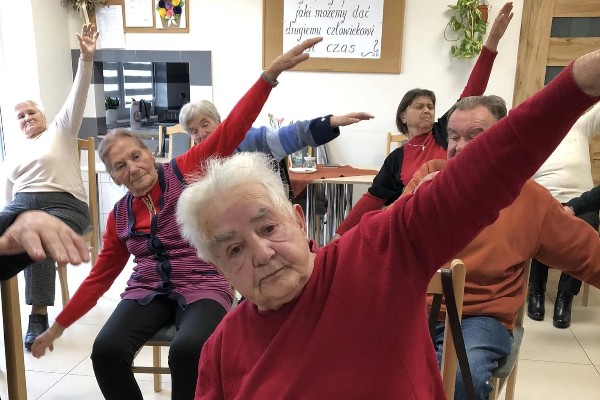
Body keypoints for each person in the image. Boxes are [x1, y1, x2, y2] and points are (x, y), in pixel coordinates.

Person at [175, 47, 600, 399]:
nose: (262, 253)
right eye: (234, 249)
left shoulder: (378, 254)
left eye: (267, 227)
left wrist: (576, 83)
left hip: (481, 318)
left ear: (299, 219)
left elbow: (476, 180)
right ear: (218, 268)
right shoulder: (222, 349)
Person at [30, 37, 323, 400]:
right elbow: (98, 280)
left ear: (149, 153)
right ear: (113, 176)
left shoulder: (184, 171)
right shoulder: (120, 216)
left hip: (202, 284)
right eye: (120, 166)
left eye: (137, 156)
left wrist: (270, 75)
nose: (133, 168)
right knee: (105, 352)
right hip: (146, 291)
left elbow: (232, 129)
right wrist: (57, 327)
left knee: (187, 351)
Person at [395, 95, 600, 399]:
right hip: (415, 308)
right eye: (454, 136)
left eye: (475, 137)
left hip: (481, 318)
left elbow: (588, 254)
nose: (461, 146)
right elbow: (388, 237)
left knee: (462, 380)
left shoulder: (530, 199)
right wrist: (420, 202)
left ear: (502, 141)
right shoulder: (428, 177)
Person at [332, 2, 513, 240]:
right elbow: (373, 198)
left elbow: (472, 92)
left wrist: (491, 44)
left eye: (430, 105)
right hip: (418, 229)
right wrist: (339, 235)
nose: (427, 110)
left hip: (462, 219)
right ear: (403, 116)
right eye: (418, 106)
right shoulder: (396, 158)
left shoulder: (444, 132)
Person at [0, 23, 98, 350]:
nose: (27, 118)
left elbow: (78, 95)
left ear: (43, 114)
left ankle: (38, 314)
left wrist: (86, 60)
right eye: (20, 116)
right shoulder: (14, 152)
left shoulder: (61, 130)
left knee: (38, 236)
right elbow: (8, 197)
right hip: (20, 205)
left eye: (31, 112)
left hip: (65, 205)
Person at [528, 102, 600, 328]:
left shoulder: (578, 125)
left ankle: (565, 297)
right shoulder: (532, 133)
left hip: (582, 201)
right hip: (544, 198)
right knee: (540, 229)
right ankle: (536, 292)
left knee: (587, 231)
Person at [179, 99, 373, 161]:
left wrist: (329, 122)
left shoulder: (250, 140)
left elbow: (292, 134)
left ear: (219, 121)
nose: (201, 134)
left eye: (205, 124)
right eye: (194, 131)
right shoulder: (192, 162)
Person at [0, 211, 90, 281]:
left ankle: (40, 303)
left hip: (65, 202)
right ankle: (39, 302)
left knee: (40, 239)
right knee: (36, 241)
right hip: (19, 201)